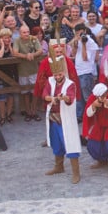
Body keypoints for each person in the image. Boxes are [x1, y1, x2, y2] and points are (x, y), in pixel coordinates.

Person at [42, 53, 82, 184]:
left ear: (63, 72)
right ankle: (59, 166)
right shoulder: (50, 81)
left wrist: (63, 98)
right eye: (56, 75)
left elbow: (70, 98)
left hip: (66, 119)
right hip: (54, 118)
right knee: (56, 143)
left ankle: (76, 172)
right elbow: (45, 95)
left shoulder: (70, 84)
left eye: (59, 74)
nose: (57, 77)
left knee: (70, 144)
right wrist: (53, 98)